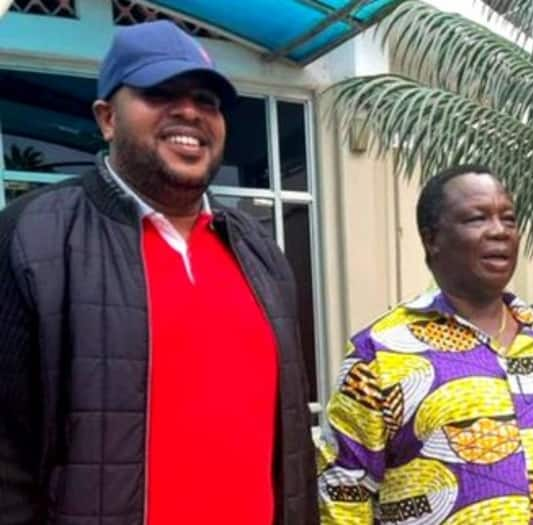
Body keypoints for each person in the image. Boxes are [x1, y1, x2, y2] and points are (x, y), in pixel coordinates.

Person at [0, 21, 317, 525]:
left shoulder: (260, 252)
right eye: (158, 93)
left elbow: (292, 437)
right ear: (106, 118)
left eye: (206, 100)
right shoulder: (32, 236)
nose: (189, 111)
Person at [317, 165, 533, 524]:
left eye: (508, 219)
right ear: (433, 239)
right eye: (477, 218)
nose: (499, 232)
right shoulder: (380, 353)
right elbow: (343, 491)